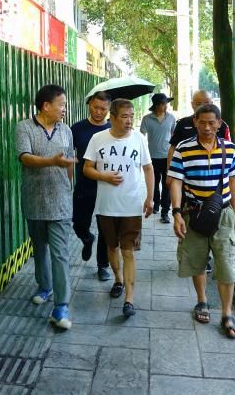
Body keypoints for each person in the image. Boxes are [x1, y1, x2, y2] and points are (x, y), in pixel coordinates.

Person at [168, 103, 235, 339]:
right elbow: (176, 182)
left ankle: (227, 313)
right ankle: (202, 301)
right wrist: (176, 213)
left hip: (223, 214)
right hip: (194, 213)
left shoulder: (230, 149)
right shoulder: (183, 148)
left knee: (226, 263)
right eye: (202, 122)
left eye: (212, 123)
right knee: (197, 260)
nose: (207, 127)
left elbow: (233, 182)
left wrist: (234, 213)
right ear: (195, 122)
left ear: (219, 124)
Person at [83, 99, 154, 318]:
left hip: (131, 206)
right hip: (106, 205)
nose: (129, 121)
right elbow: (87, 168)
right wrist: (103, 176)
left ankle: (129, 299)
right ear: (112, 117)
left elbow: (148, 168)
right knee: (112, 247)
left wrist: (150, 198)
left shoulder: (139, 139)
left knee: (128, 251)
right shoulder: (98, 139)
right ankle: (118, 279)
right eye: (124, 116)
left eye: (131, 116)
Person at [15, 84, 77, 329]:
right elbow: (25, 157)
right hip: (34, 200)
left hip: (61, 201)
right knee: (39, 249)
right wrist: (52, 161)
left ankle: (61, 307)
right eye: (61, 105)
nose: (64, 109)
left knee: (60, 254)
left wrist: (69, 188)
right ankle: (45, 286)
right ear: (46, 106)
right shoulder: (24, 127)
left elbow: (69, 162)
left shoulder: (66, 130)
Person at [166, 89, 231, 273]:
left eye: (207, 102)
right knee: (189, 221)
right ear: (193, 105)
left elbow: (229, 161)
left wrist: (233, 208)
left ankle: (206, 254)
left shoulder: (223, 127)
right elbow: (173, 148)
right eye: (199, 103)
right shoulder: (183, 124)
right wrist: (171, 173)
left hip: (215, 189)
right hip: (187, 182)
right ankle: (193, 251)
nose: (207, 127)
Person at [71, 91, 112, 281]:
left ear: (109, 109)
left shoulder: (112, 129)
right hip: (83, 185)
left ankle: (103, 265)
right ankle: (87, 239)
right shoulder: (77, 128)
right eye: (96, 107)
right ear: (89, 105)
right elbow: (68, 154)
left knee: (105, 228)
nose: (99, 112)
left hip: (107, 186)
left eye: (103, 109)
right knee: (79, 224)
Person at [140, 93, 177, 224]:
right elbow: (141, 136)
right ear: (156, 106)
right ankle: (156, 203)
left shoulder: (171, 118)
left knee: (167, 185)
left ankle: (165, 212)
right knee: (154, 184)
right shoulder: (146, 119)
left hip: (167, 158)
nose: (166, 106)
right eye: (163, 104)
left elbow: (174, 136)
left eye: (166, 103)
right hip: (151, 157)